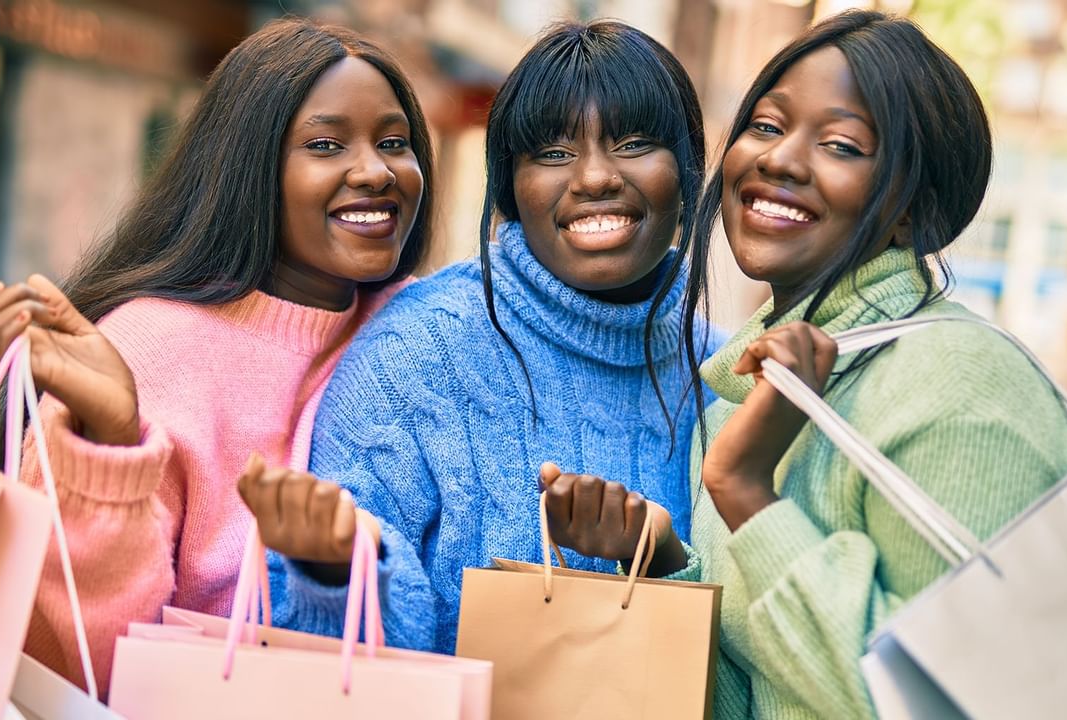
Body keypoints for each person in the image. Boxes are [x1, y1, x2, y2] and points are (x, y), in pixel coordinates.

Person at [548, 10, 1067, 719]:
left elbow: (953, 702)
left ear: (912, 214)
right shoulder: (746, 393)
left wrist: (746, 492)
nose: (779, 160)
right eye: (766, 126)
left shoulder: (962, 386)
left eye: (840, 144)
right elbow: (767, 685)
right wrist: (665, 564)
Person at [0, 18, 434, 693]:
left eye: (394, 142)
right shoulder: (147, 346)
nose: (375, 170)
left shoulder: (425, 332)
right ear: (248, 167)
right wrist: (110, 443)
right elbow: (76, 670)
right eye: (327, 144)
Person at [237, 19, 719, 653]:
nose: (595, 178)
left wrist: (660, 554)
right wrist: (331, 569)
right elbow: (324, 652)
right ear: (510, 189)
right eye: (553, 153)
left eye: (632, 143)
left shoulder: (723, 374)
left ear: (686, 170)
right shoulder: (416, 357)